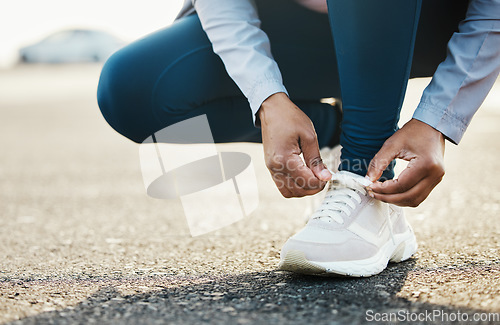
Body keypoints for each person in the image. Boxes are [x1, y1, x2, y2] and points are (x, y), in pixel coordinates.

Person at [97, 0, 500, 276]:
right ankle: (331, 133)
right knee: (130, 90)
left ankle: (364, 177)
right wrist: (267, 97)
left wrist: (439, 119)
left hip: (415, 23)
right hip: (288, 23)